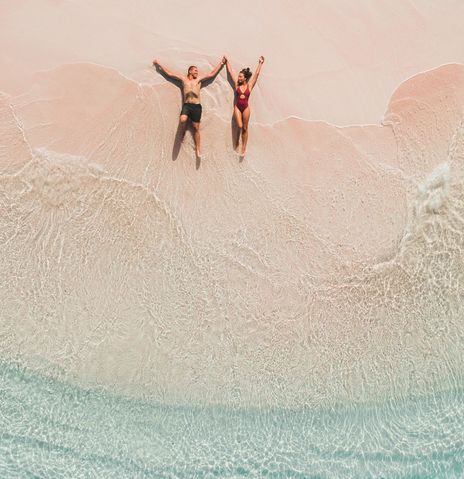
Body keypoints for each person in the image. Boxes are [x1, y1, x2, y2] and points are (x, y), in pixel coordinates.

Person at [153, 57, 226, 158]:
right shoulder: (183, 79)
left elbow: (211, 74)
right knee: (182, 120)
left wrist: (221, 63)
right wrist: (158, 64)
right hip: (187, 105)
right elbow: (170, 74)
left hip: (196, 106)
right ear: (190, 71)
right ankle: (183, 130)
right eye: (195, 71)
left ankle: (198, 149)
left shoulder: (199, 79)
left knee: (196, 128)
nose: (197, 72)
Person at [225, 56, 265, 157]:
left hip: (246, 107)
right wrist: (227, 61)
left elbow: (256, 75)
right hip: (238, 107)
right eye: (238, 76)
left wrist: (260, 63)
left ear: (245, 78)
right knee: (239, 125)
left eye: (240, 77)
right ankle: (237, 141)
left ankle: (243, 148)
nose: (238, 78)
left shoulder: (249, 85)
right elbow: (230, 72)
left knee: (245, 128)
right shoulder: (236, 85)